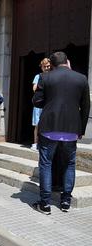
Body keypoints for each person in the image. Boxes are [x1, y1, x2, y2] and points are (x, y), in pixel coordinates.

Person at [32, 51, 90, 214]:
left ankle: (45, 204)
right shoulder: (81, 78)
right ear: (68, 62)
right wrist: (81, 129)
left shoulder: (46, 77)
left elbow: (36, 101)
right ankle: (65, 202)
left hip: (49, 127)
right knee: (69, 164)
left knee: (46, 164)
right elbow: (86, 106)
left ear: (53, 64)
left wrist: (49, 101)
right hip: (72, 130)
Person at [31, 58, 51, 151]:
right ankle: (35, 143)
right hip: (39, 104)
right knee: (37, 124)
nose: (47, 68)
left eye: (48, 66)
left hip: (48, 104)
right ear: (41, 67)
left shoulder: (52, 76)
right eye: (45, 66)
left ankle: (45, 143)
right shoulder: (38, 76)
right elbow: (34, 89)